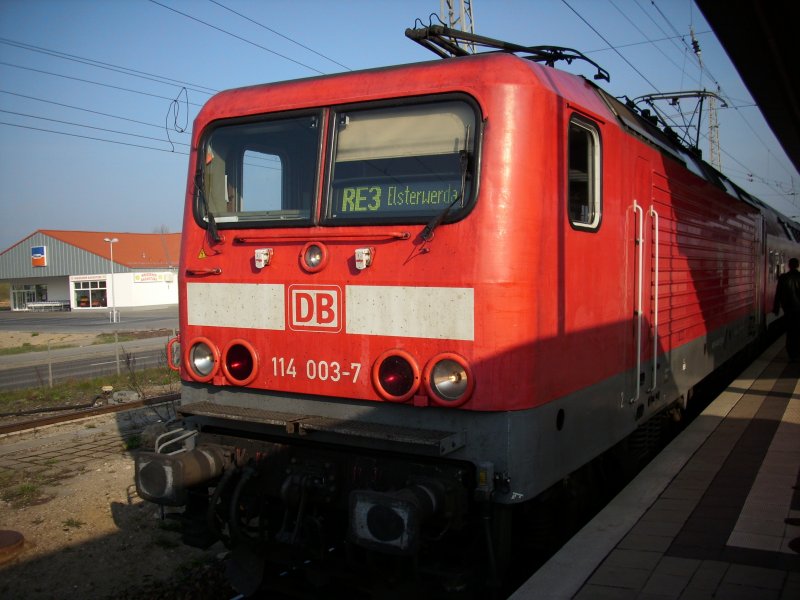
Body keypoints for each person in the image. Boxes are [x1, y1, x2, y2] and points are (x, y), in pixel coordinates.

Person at [773, 257, 800, 359]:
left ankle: (792, 355)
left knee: (790, 333)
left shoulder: (783, 278)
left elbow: (778, 294)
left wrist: (776, 308)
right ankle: (797, 353)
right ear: (797, 265)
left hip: (788, 310)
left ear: (789, 266)